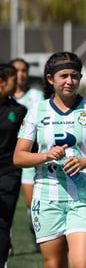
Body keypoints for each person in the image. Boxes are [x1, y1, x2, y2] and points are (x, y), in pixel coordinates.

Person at [13, 51, 86, 268]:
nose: (70, 81)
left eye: (75, 76)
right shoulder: (37, 110)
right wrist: (46, 155)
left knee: (81, 263)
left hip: (84, 199)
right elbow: (19, 157)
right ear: (50, 79)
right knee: (53, 264)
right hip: (46, 199)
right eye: (63, 76)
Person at [10, 57, 44, 253]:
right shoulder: (4, 97)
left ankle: (38, 233)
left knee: (31, 203)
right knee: (6, 202)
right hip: (7, 159)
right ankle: (7, 243)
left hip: (30, 159)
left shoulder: (37, 96)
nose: (20, 74)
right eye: (16, 71)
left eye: (24, 70)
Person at [0, 63, 27, 268]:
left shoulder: (19, 111)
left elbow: (28, 144)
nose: (17, 83)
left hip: (8, 173)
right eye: (13, 79)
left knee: (2, 222)